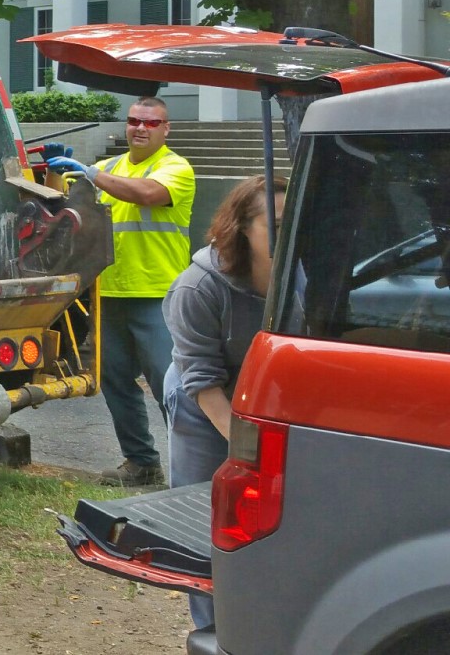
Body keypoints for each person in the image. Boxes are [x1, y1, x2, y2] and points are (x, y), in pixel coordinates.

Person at [45, 96, 195, 487]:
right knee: (114, 381)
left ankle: (193, 470)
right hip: (109, 293)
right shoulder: (106, 168)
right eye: (134, 121)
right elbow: (62, 208)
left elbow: (146, 194)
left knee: (170, 386)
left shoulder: (174, 167)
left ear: (166, 129)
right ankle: (142, 462)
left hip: (157, 294)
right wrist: (53, 173)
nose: (140, 128)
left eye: (150, 122)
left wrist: (89, 174)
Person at [163, 173, 287, 629]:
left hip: (261, 403)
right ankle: (210, 631)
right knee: (206, 518)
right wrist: (246, 447)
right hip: (204, 405)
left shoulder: (298, 275)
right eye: (273, 221)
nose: (284, 230)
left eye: (291, 219)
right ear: (240, 228)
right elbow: (202, 382)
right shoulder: (198, 287)